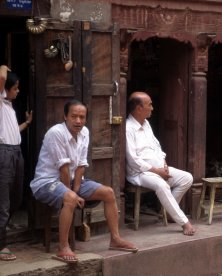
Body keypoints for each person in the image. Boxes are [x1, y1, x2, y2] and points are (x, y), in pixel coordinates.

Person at [30, 99, 137, 264]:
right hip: (46, 182)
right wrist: (72, 193)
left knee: (108, 193)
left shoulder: (85, 132)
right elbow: (63, 168)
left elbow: (80, 165)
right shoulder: (56, 133)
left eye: (82, 117)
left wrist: (77, 188)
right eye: (74, 116)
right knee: (70, 198)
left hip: (72, 179)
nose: (78, 121)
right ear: (65, 116)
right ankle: (63, 247)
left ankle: (115, 239)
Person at [125, 91, 196, 236]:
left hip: (159, 170)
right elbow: (133, 160)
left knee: (187, 177)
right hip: (141, 173)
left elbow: (157, 147)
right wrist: (157, 172)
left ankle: (170, 212)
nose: (152, 108)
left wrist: (163, 165)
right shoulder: (128, 128)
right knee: (162, 185)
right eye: (149, 105)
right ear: (139, 108)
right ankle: (184, 222)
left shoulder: (146, 124)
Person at [0, 65, 33, 261]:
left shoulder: (9, 107)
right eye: (16, 88)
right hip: (3, 154)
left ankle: (2, 229)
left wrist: (27, 123)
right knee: (3, 202)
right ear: (6, 89)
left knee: (17, 197)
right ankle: (2, 245)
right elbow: (2, 77)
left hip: (15, 152)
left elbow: (12, 132)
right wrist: (3, 66)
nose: (18, 91)